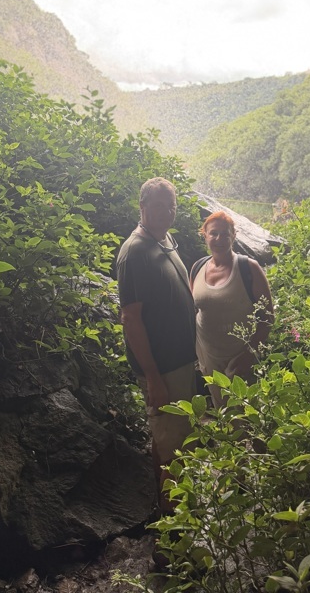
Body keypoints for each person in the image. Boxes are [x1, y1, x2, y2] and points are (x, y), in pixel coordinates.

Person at [116, 177, 197, 515]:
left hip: (180, 365)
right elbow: (131, 320)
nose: (167, 212)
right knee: (172, 451)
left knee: (171, 442)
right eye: (160, 206)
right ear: (143, 207)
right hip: (162, 369)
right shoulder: (134, 252)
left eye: (171, 206)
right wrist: (153, 378)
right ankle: (172, 544)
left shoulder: (164, 241)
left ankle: (174, 521)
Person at [190, 211, 274, 408]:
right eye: (213, 233)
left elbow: (267, 318)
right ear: (205, 235)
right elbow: (194, 311)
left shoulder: (248, 268)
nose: (219, 239)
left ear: (233, 236)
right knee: (224, 414)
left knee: (252, 417)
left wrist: (248, 355)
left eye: (225, 234)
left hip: (240, 358)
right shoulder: (197, 268)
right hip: (209, 358)